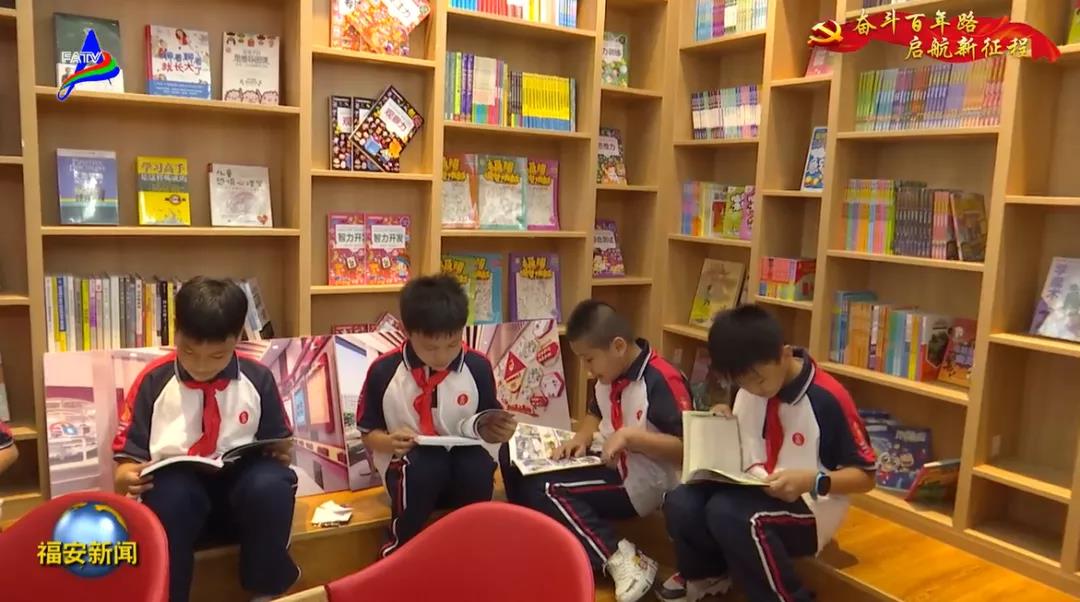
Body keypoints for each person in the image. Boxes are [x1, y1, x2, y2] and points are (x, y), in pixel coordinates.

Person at [661, 305, 876, 602]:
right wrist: (724, 420)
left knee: (732, 515)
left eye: (759, 380)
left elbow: (865, 477)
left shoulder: (827, 398)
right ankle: (708, 574)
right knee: (681, 500)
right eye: (742, 383)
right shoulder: (749, 388)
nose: (753, 389)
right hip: (753, 487)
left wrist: (811, 480)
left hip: (810, 505)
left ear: (784, 354)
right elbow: (751, 437)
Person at [112, 277, 298, 602]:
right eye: (188, 351)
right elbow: (128, 458)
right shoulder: (153, 381)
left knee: (272, 484)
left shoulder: (257, 378)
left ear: (237, 339)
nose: (200, 365)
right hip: (177, 506)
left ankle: (266, 589)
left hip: (241, 501)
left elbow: (279, 444)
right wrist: (125, 475)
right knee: (171, 493)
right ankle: (169, 595)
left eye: (216, 356)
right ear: (175, 333)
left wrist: (281, 454)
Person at [501, 300, 691, 602]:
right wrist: (582, 436)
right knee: (510, 454)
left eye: (589, 359)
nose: (587, 369)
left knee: (548, 489)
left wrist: (630, 438)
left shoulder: (661, 380)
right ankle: (537, 538)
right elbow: (595, 410)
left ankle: (621, 557)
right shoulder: (611, 372)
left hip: (642, 482)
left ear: (618, 346)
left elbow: (687, 449)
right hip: (607, 460)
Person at [358, 274, 517, 557]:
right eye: (431, 348)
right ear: (407, 331)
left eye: (453, 344)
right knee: (424, 464)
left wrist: (499, 430)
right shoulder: (384, 371)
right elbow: (368, 432)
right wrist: (389, 442)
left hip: (463, 471)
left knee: (477, 465)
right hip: (410, 473)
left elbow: (487, 421)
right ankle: (399, 553)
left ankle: (474, 551)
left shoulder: (477, 367)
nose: (442, 356)